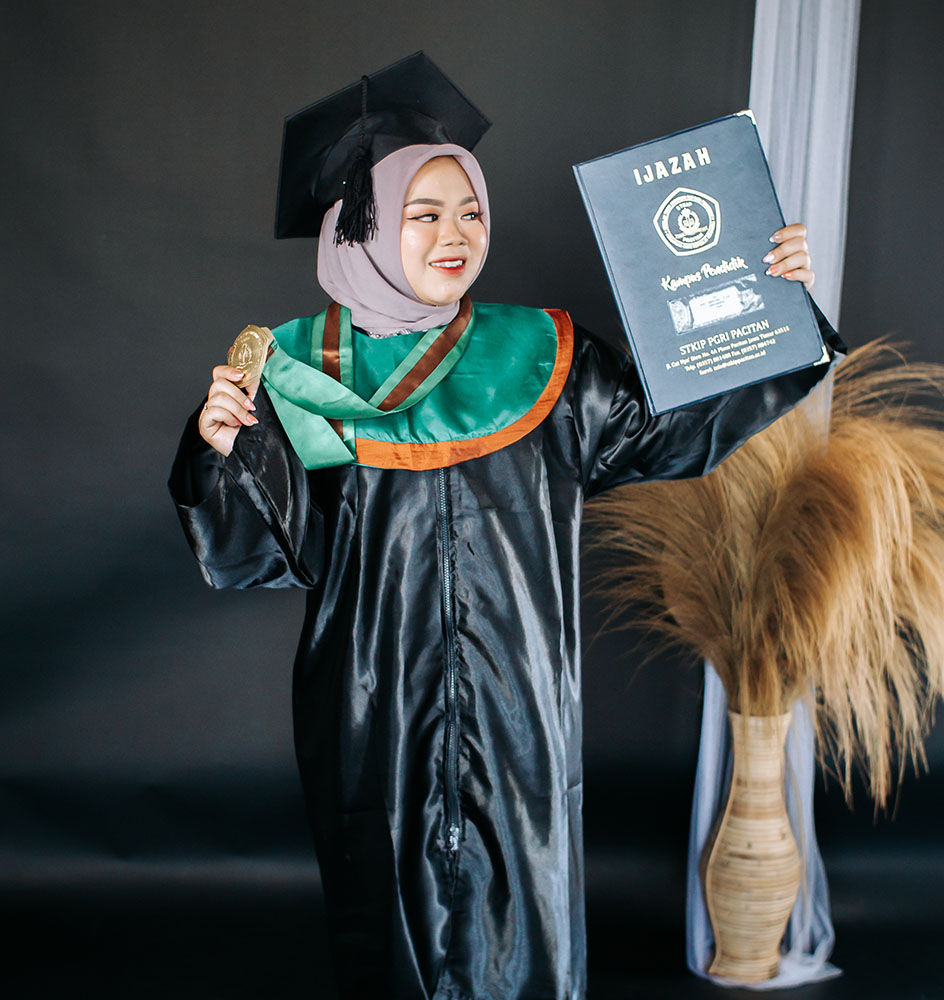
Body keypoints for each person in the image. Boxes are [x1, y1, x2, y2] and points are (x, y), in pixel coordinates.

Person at [170, 54, 840, 1000]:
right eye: (424, 214)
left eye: (470, 211)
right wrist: (221, 449)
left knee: (525, 919)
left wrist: (779, 309)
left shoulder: (547, 359)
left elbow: (675, 430)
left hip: (522, 706)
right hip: (372, 709)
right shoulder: (292, 371)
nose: (456, 236)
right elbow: (258, 556)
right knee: (389, 922)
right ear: (358, 230)